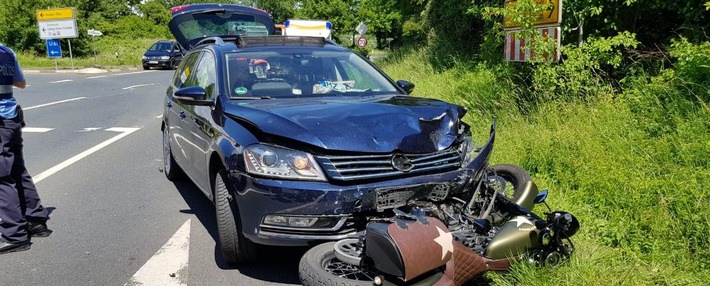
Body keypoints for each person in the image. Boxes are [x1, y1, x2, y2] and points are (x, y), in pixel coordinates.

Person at [0, 43, 51, 255]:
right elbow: (20, 82)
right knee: (17, 171)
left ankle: (14, 235)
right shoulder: (6, 51)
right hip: (10, 118)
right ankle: (36, 221)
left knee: (2, 178)